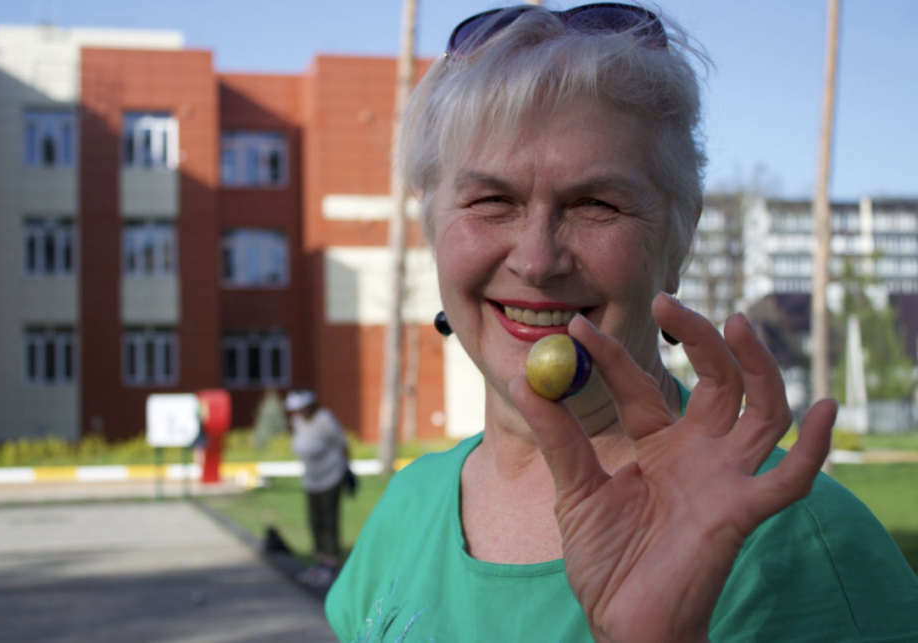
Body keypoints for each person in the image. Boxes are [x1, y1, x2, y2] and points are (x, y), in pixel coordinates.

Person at [325, 4, 918, 642]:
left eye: (595, 204)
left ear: (677, 239)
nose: (537, 261)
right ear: (433, 231)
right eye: (492, 200)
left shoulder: (797, 544)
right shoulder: (409, 504)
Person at [285, 389, 349, 588]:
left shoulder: (325, 419)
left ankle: (331, 565)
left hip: (331, 476)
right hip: (311, 479)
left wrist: (348, 470)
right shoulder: (297, 422)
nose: (298, 412)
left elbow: (342, 444)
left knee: (329, 520)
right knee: (315, 521)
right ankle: (320, 562)